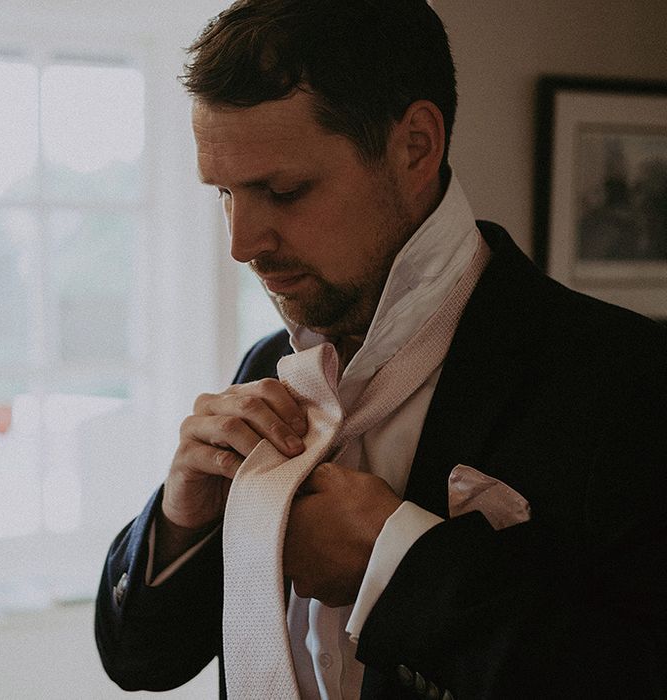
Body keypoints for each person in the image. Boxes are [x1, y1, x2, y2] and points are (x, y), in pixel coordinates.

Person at [95, 1, 667, 698]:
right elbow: (139, 660)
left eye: (282, 190)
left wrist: (397, 564)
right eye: (225, 193)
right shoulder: (266, 365)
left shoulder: (629, 379)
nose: (242, 244)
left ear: (415, 147)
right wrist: (182, 519)